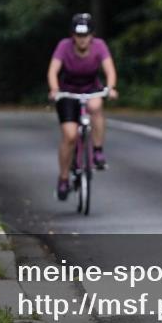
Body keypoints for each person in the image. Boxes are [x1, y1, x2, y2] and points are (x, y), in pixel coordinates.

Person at [47, 13, 118, 200]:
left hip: (91, 89)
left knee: (96, 107)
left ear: (91, 35)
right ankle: (63, 178)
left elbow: (109, 70)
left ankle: (97, 150)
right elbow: (53, 70)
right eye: (78, 36)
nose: (82, 40)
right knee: (70, 135)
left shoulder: (99, 46)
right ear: (73, 36)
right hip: (68, 93)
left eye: (85, 35)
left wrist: (110, 88)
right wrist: (55, 90)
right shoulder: (64, 46)